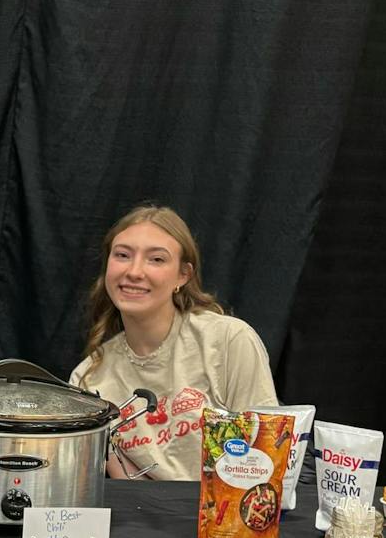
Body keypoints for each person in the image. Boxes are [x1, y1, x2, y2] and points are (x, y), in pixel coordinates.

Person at [69, 204, 277, 481]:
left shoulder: (229, 341)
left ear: (183, 275)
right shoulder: (87, 379)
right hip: (143, 507)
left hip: (226, 505)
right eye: (122, 255)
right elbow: (132, 487)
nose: (134, 271)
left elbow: (265, 455)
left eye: (156, 259)